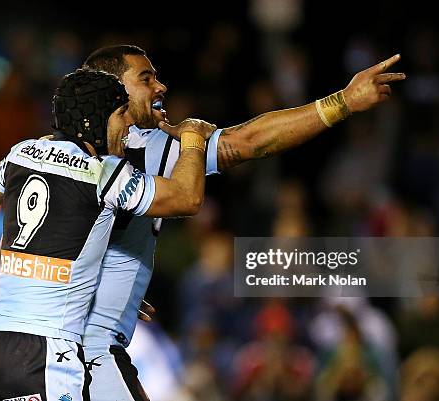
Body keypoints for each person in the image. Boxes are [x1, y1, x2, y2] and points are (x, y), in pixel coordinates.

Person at [79, 45, 406, 401]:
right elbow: (194, 195)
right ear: (112, 87)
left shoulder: (141, 145)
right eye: (146, 78)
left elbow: (249, 141)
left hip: (77, 340)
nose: (161, 87)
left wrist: (105, 277)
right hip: (76, 342)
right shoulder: (65, 152)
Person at [0, 68, 215, 401]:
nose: (127, 126)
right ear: (94, 120)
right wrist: (193, 139)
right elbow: (186, 197)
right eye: (119, 115)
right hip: (44, 351)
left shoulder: (21, 152)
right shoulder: (104, 172)